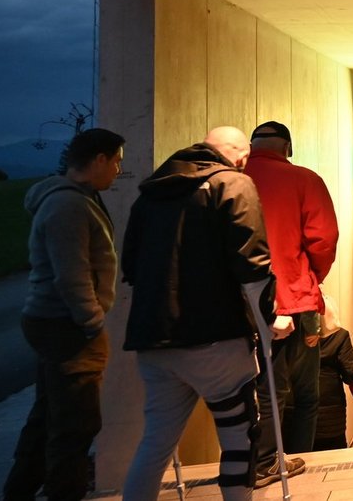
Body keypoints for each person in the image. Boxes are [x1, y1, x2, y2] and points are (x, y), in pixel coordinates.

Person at [119, 126, 279, 501]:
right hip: (216, 339)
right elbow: (253, 267)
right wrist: (267, 325)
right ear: (241, 155)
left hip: (153, 340)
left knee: (156, 441)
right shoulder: (233, 183)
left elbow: (130, 268)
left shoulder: (151, 192)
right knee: (238, 436)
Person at [4, 128, 125, 501]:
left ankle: (19, 491)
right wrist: (91, 322)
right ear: (99, 159)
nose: (118, 170)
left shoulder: (73, 199)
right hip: (66, 326)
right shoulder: (68, 205)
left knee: (48, 416)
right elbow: (71, 273)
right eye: (116, 161)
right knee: (76, 424)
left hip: (57, 322)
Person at [243, 120, 338, 481]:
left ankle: (245, 458)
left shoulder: (229, 182)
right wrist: (310, 276)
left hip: (234, 301)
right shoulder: (304, 179)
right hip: (288, 297)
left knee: (244, 387)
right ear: (287, 148)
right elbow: (323, 239)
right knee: (279, 387)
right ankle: (271, 460)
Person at [313, 298, 353, 451]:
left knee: (301, 456)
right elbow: (352, 373)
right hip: (331, 417)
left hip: (295, 410)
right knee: (333, 456)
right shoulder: (339, 336)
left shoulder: (295, 338)